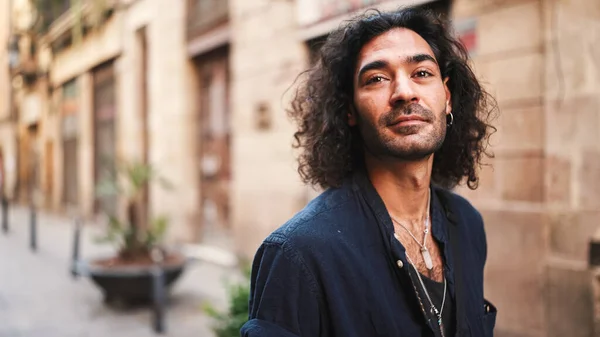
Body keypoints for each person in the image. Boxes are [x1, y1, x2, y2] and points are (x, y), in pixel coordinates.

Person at [241, 6, 498, 337]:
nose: (404, 91)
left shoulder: (467, 224)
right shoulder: (299, 254)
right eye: (377, 78)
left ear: (446, 97)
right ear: (348, 110)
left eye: (421, 73)